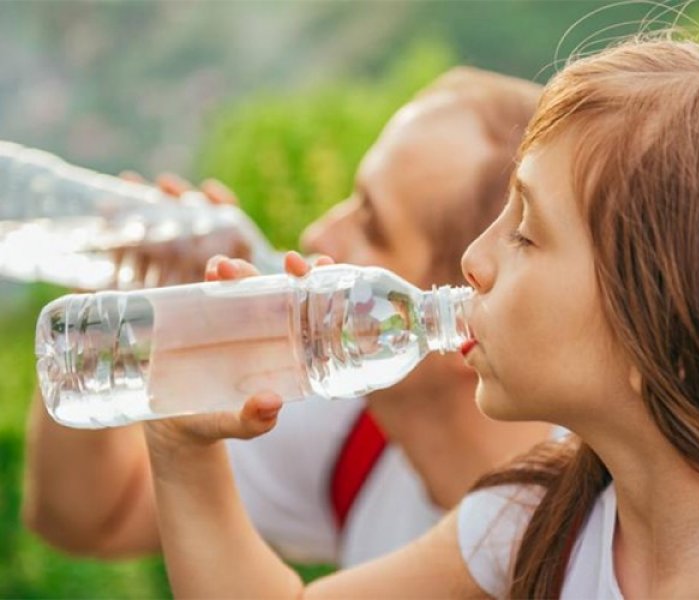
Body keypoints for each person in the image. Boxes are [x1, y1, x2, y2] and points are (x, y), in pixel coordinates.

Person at [141, 27, 699, 598]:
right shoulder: (537, 516)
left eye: (528, 231)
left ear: (674, 325)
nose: (474, 259)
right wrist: (183, 442)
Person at [22, 67, 552, 564]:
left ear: (469, 316)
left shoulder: (564, 537)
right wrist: (116, 294)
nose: (317, 235)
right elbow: (88, 520)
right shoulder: (353, 432)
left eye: (371, 225)